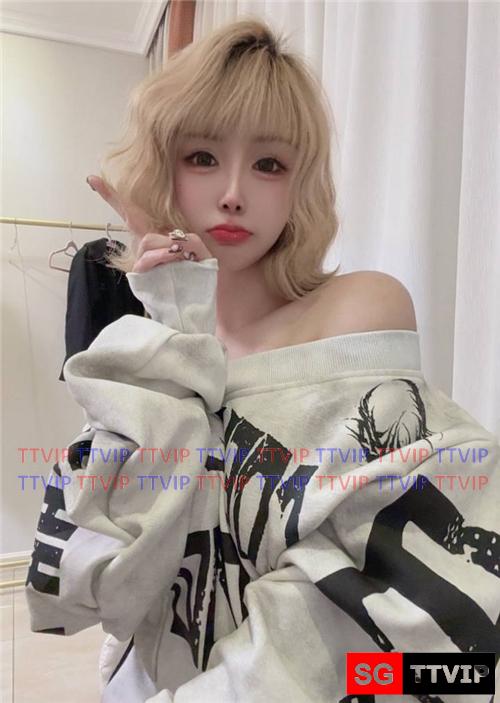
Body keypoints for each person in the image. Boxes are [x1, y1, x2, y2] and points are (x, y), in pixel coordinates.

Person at [25, 17, 499, 703]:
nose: (233, 192)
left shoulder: (357, 310)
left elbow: (373, 605)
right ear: (163, 166)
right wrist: (172, 319)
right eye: (202, 156)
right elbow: (96, 571)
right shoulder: (155, 343)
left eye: (268, 164)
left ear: (300, 182)